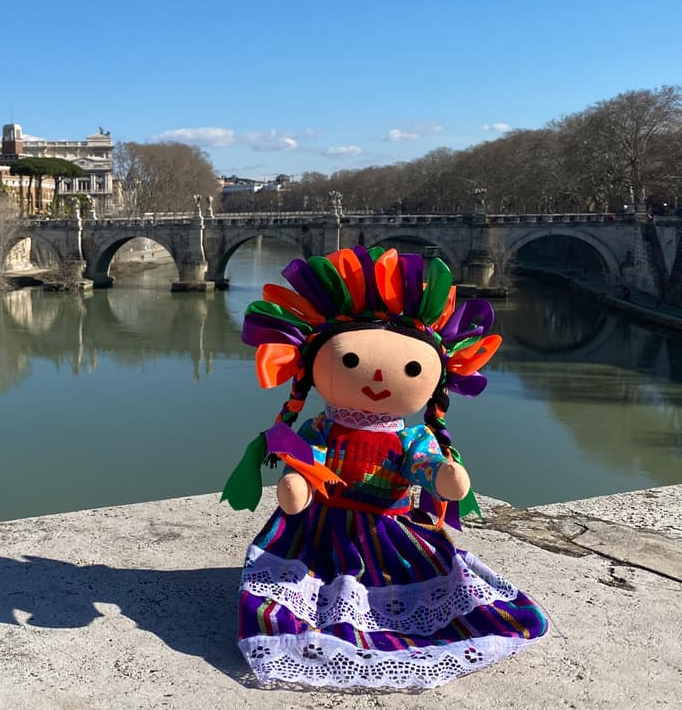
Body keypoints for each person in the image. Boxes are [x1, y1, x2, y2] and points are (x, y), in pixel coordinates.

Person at [224, 246, 548, 689]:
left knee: (424, 583)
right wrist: (297, 480)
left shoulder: (410, 438)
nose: (377, 379)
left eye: (411, 369)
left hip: (389, 530)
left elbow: (423, 464)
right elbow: (308, 460)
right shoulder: (323, 428)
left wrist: (441, 473)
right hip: (322, 527)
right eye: (351, 362)